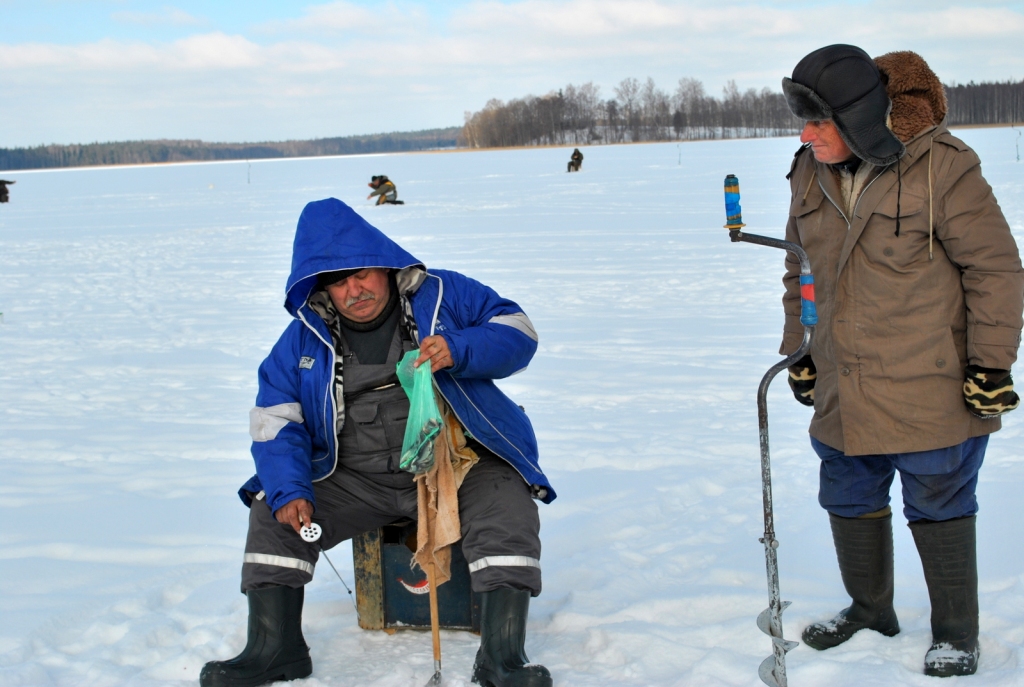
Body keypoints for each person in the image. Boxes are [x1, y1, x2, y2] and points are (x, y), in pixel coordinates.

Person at [200, 198, 554, 687]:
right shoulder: (303, 339)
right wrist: (290, 490)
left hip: (454, 462)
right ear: (323, 288)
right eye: (339, 281)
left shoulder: (444, 295)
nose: (355, 289)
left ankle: (502, 657)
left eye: (362, 273)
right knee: (271, 507)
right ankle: (274, 648)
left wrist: (460, 348)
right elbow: (275, 418)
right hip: (354, 476)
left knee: (505, 504)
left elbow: (519, 331)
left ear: (384, 266)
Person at [779, 45, 1023, 677]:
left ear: (860, 119)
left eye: (818, 122)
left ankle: (955, 633)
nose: (805, 136)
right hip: (843, 381)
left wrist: (991, 366)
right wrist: (800, 350)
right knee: (847, 493)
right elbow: (798, 270)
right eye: (800, 122)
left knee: (940, 499)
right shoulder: (808, 169)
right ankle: (869, 610)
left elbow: (995, 270)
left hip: (929, 381)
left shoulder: (943, 168)